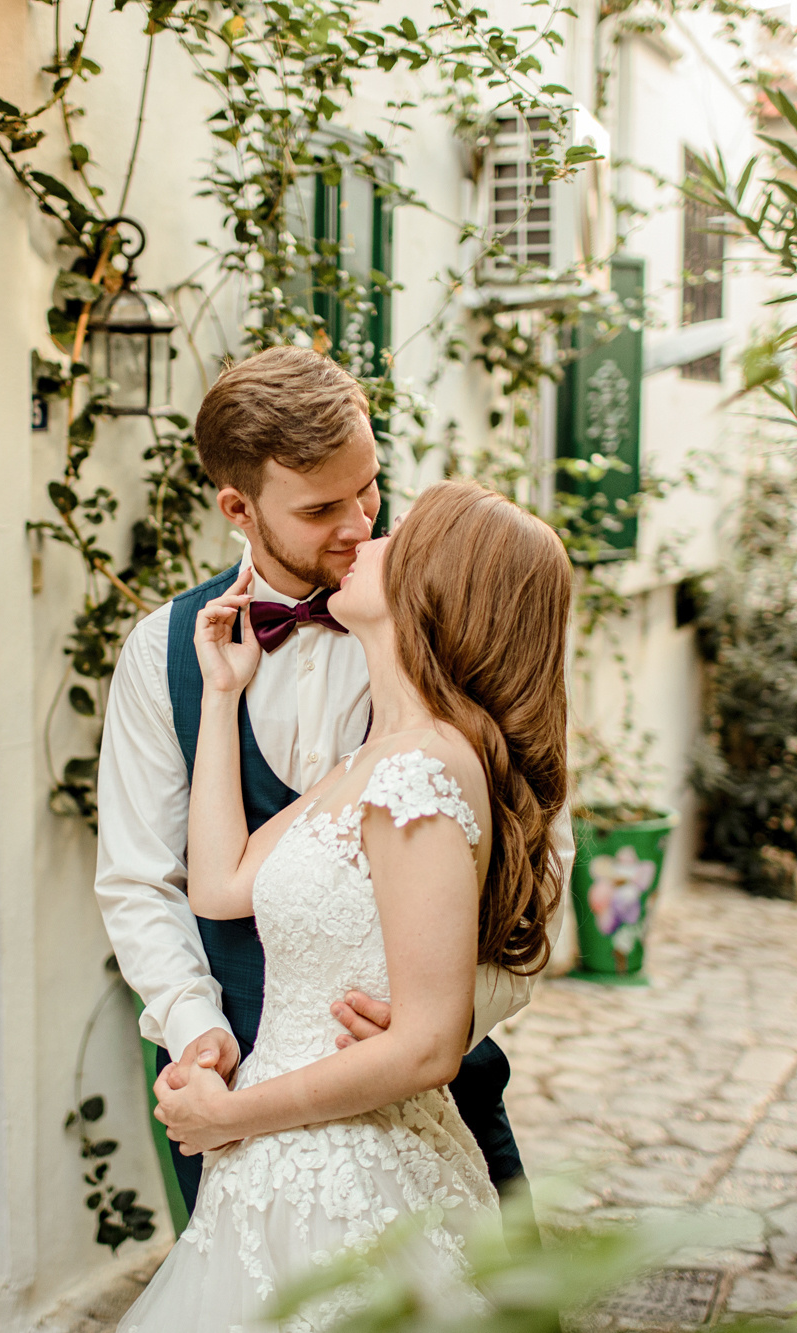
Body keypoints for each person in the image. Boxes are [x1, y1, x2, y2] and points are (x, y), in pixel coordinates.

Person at [92, 348, 548, 1226]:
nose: (362, 523)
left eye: (369, 487)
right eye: (320, 508)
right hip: (233, 1084)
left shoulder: (447, 609)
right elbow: (146, 878)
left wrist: (445, 1026)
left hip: (427, 1088)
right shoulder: (165, 652)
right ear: (238, 507)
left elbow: (538, 846)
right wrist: (197, 1031)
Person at [116, 478, 572, 1330]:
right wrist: (223, 692)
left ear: (439, 590)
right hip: (277, 1169)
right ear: (240, 505)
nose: (367, 533)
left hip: (351, 1171)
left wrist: (229, 1114)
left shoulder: (422, 771)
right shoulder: (385, 755)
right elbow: (219, 884)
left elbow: (431, 1045)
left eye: (395, 529)